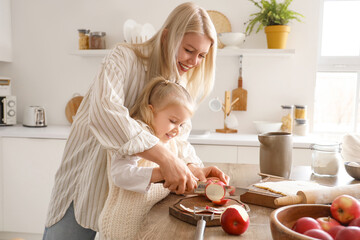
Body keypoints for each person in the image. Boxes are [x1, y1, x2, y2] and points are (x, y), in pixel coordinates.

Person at [43, 2, 229, 240]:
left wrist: (193, 168)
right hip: (87, 180)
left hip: (129, 198)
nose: (194, 62)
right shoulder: (124, 57)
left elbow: (179, 138)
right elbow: (105, 112)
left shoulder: (177, 83)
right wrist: (165, 159)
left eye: (202, 55)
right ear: (166, 37)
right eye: (189, 50)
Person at [99, 77, 199, 239]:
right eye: (173, 121)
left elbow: (186, 153)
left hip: (147, 228)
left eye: (182, 125)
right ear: (150, 110)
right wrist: (162, 173)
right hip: (120, 229)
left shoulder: (169, 142)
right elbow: (120, 175)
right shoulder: (137, 136)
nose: (177, 130)